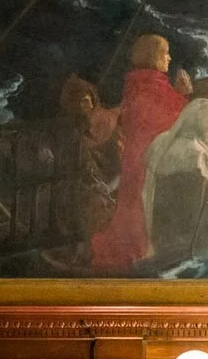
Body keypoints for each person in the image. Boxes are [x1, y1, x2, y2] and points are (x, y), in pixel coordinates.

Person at [89, 33, 190, 272]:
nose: (169, 58)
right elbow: (175, 121)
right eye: (165, 53)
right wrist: (184, 95)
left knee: (132, 205)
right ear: (153, 56)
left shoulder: (136, 83)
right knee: (142, 207)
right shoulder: (153, 88)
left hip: (135, 155)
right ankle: (138, 256)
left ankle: (135, 252)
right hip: (150, 157)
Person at [141, 97, 208, 265]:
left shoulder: (163, 141)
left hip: (159, 229)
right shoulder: (196, 154)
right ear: (203, 124)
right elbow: (196, 207)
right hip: (183, 238)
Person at [59, 74, 121, 240]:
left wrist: (109, 186)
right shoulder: (71, 129)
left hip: (113, 181)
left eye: (87, 101)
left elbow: (122, 163)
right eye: (80, 102)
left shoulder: (107, 121)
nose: (85, 106)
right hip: (86, 185)